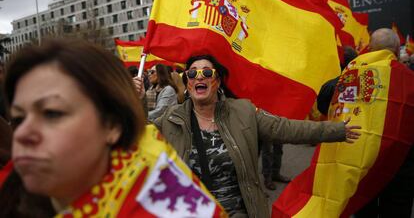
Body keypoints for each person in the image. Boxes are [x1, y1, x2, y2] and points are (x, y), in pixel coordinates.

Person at [0, 39, 224, 217]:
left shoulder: (174, 211)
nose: (22, 134)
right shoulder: (8, 194)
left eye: (51, 113)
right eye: (18, 119)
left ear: (112, 125)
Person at [135, 54, 361, 217]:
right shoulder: (172, 118)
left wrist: (337, 129)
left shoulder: (242, 111)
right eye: (192, 73)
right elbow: (139, 136)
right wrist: (136, 100)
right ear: (187, 83)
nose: (199, 77)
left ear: (217, 81)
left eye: (207, 72)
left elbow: (284, 128)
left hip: (239, 211)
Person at [354, 28, 414, 218]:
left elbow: (324, 101)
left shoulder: (352, 77)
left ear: (370, 49)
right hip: (402, 169)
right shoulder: (411, 79)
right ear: (397, 50)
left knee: (364, 212)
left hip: (363, 166)